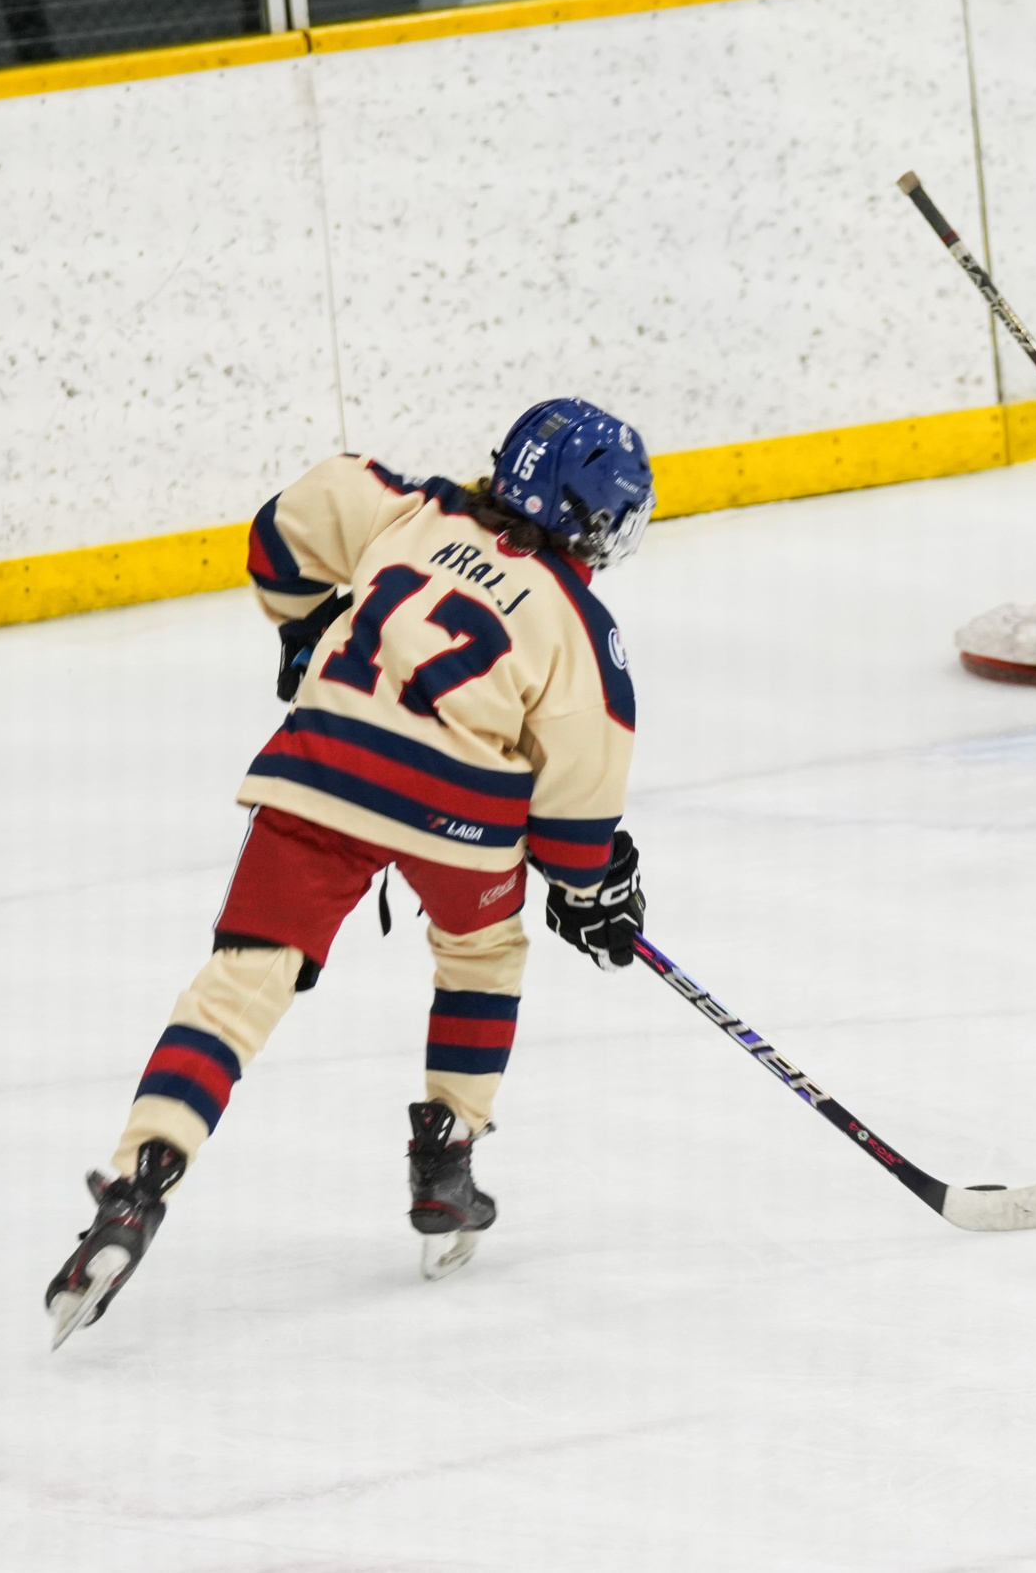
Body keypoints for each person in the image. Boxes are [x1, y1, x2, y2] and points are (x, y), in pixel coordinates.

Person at [47, 399, 656, 1346]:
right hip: (456, 813)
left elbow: (279, 533)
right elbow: (576, 815)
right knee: (482, 950)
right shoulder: (582, 627)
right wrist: (596, 887)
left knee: (239, 986)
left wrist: (303, 635)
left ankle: (135, 1188)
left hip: (321, 766)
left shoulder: (402, 509)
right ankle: (446, 1157)